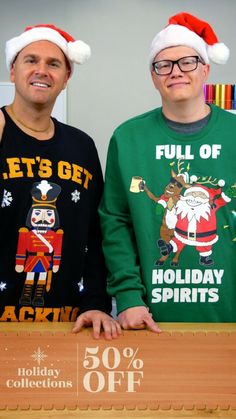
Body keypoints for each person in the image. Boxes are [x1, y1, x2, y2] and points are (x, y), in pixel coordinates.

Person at [99, 12, 236, 330]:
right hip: (148, 319)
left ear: (205, 68)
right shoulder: (128, 137)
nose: (175, 72)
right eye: (164, 64)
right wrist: (129, 297)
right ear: (153, 75)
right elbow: (115, 221)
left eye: (187, 61)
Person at [0, 24, 121, 339]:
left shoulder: (82, 146)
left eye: (53, 64)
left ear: (67, 78)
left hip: (70, 325)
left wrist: (96, 303)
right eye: (31, 60)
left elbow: (97, 235)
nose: (42, 70)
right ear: (13, 71)